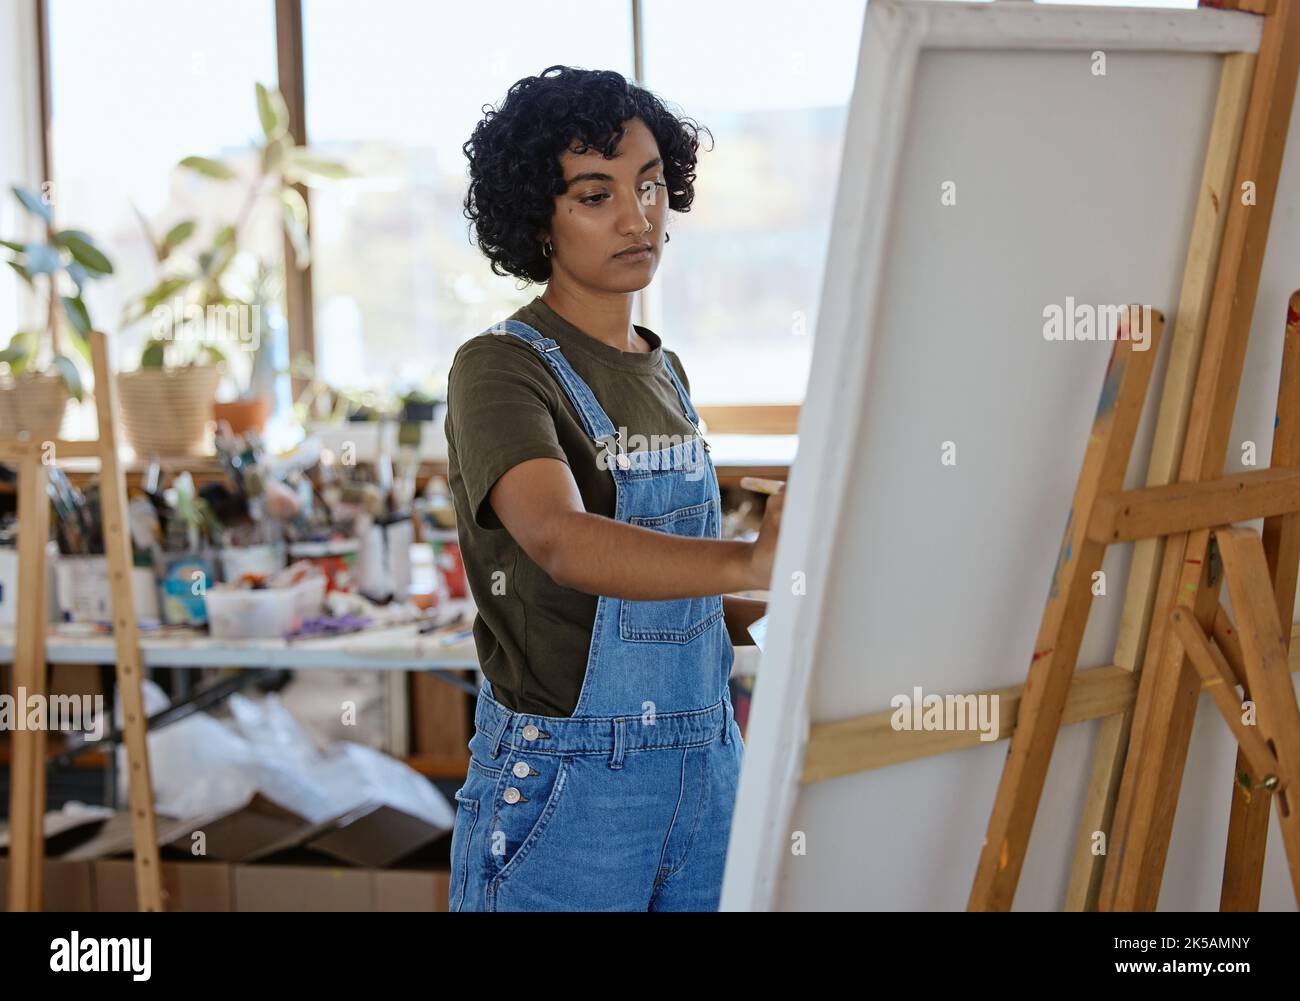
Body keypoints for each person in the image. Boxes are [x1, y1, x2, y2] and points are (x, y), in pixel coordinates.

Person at [444, 65, 784, 911]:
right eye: (595, 195)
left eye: (652, 185)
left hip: (708, 767)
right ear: (540, 220)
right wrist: (749, 557)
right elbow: (561, 541)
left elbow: (672, 609)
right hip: (572, 788)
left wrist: (794, 583)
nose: (638, 217)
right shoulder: (500, 368)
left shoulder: (665, 370)